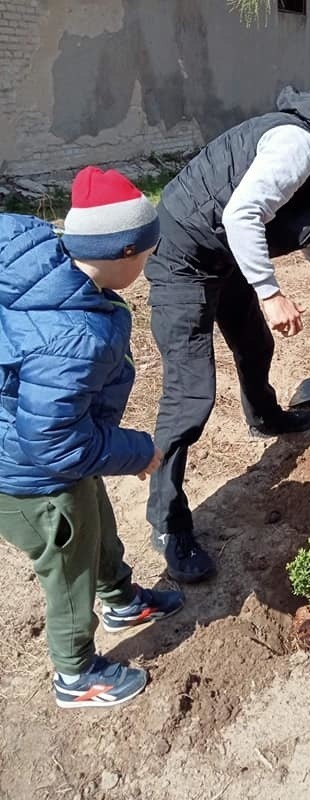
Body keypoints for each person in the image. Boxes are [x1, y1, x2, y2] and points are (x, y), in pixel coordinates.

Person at [144, 83, 310, 583]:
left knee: (256, 343)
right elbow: (243, 213)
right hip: (184, 256)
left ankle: (265, 416)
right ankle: (167, 522)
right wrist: (270, 292)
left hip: (219, 251)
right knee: (190, 395)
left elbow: (296, 216)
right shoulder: (298, 144)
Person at [0, 168, 185, 710]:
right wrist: (136, 451)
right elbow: (53, 442)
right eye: (146, 257)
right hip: (30, 475)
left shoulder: (39, 261)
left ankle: (121, 598)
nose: (147, 267)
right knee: (67, 564)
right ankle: (75, 674)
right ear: (124, 252)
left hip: (50, 450)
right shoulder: (74, 336)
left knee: (95, 520)